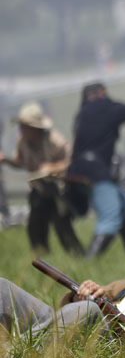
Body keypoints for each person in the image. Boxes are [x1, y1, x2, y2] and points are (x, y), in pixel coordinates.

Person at [66, 83, 125, 257]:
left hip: (80, 169)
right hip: (95, 171)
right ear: (101, 93)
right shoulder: (103, 107)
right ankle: (89, 260)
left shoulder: (83, 113)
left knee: (124, 206)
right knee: (110, 216)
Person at [0, 101, 83, 254]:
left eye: (25, 127)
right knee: (35, 226)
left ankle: (77, 255)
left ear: (35, 128)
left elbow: (72, 162)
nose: (21, 130)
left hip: (58, 190)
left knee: (62, 226)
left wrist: (52, 167)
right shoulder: (22, 141)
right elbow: (21, 162)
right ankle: (41, 257)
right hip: (38, 189)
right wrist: (6, 160)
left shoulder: (55, 140)